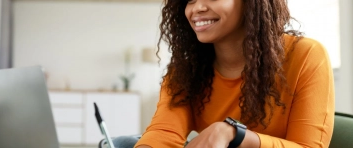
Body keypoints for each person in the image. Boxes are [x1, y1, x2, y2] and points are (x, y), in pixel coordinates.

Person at [133, 0, 335, 147]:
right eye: (190, 0)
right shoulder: (186, 71)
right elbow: (164, 132)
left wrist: (234, 134)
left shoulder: (306, 55)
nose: (197, 8)